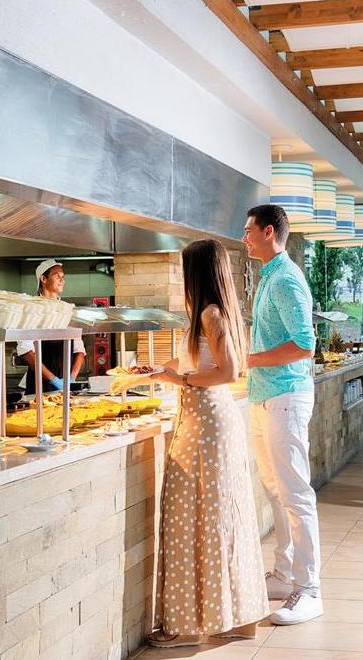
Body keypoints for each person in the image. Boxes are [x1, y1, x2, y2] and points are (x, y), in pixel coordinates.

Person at [146, 239, 268, 648]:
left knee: (194, 520)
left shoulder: (209, 313)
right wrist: (164, 370)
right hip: (207, 423)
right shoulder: (211, 312)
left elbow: (228, 372)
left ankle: (188, 626)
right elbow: (202, 362)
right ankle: (233, 619)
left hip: (206, 427)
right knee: (216, 519)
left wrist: (178, 379)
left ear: (196, 272)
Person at [243, 204, 322, 626]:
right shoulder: (268, 276)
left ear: (269, 232)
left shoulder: (286, 278)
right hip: (265, 396)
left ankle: (309, 589)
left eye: (249, 231)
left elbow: (304, 344)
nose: (244, 237)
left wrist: (249, 359)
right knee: (274, 488)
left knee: (295, 492)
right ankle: (284, 572)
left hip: (286, 396)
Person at [16, 259, 85, 394]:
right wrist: (54, 380)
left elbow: (79, 350)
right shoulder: (31, 309)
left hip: (64, 385)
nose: (62, 280)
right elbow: (26, 352)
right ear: (43, 279)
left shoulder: (66, 309)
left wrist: (71, 378)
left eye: (63, 277)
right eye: (57, 276)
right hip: (38, 385)